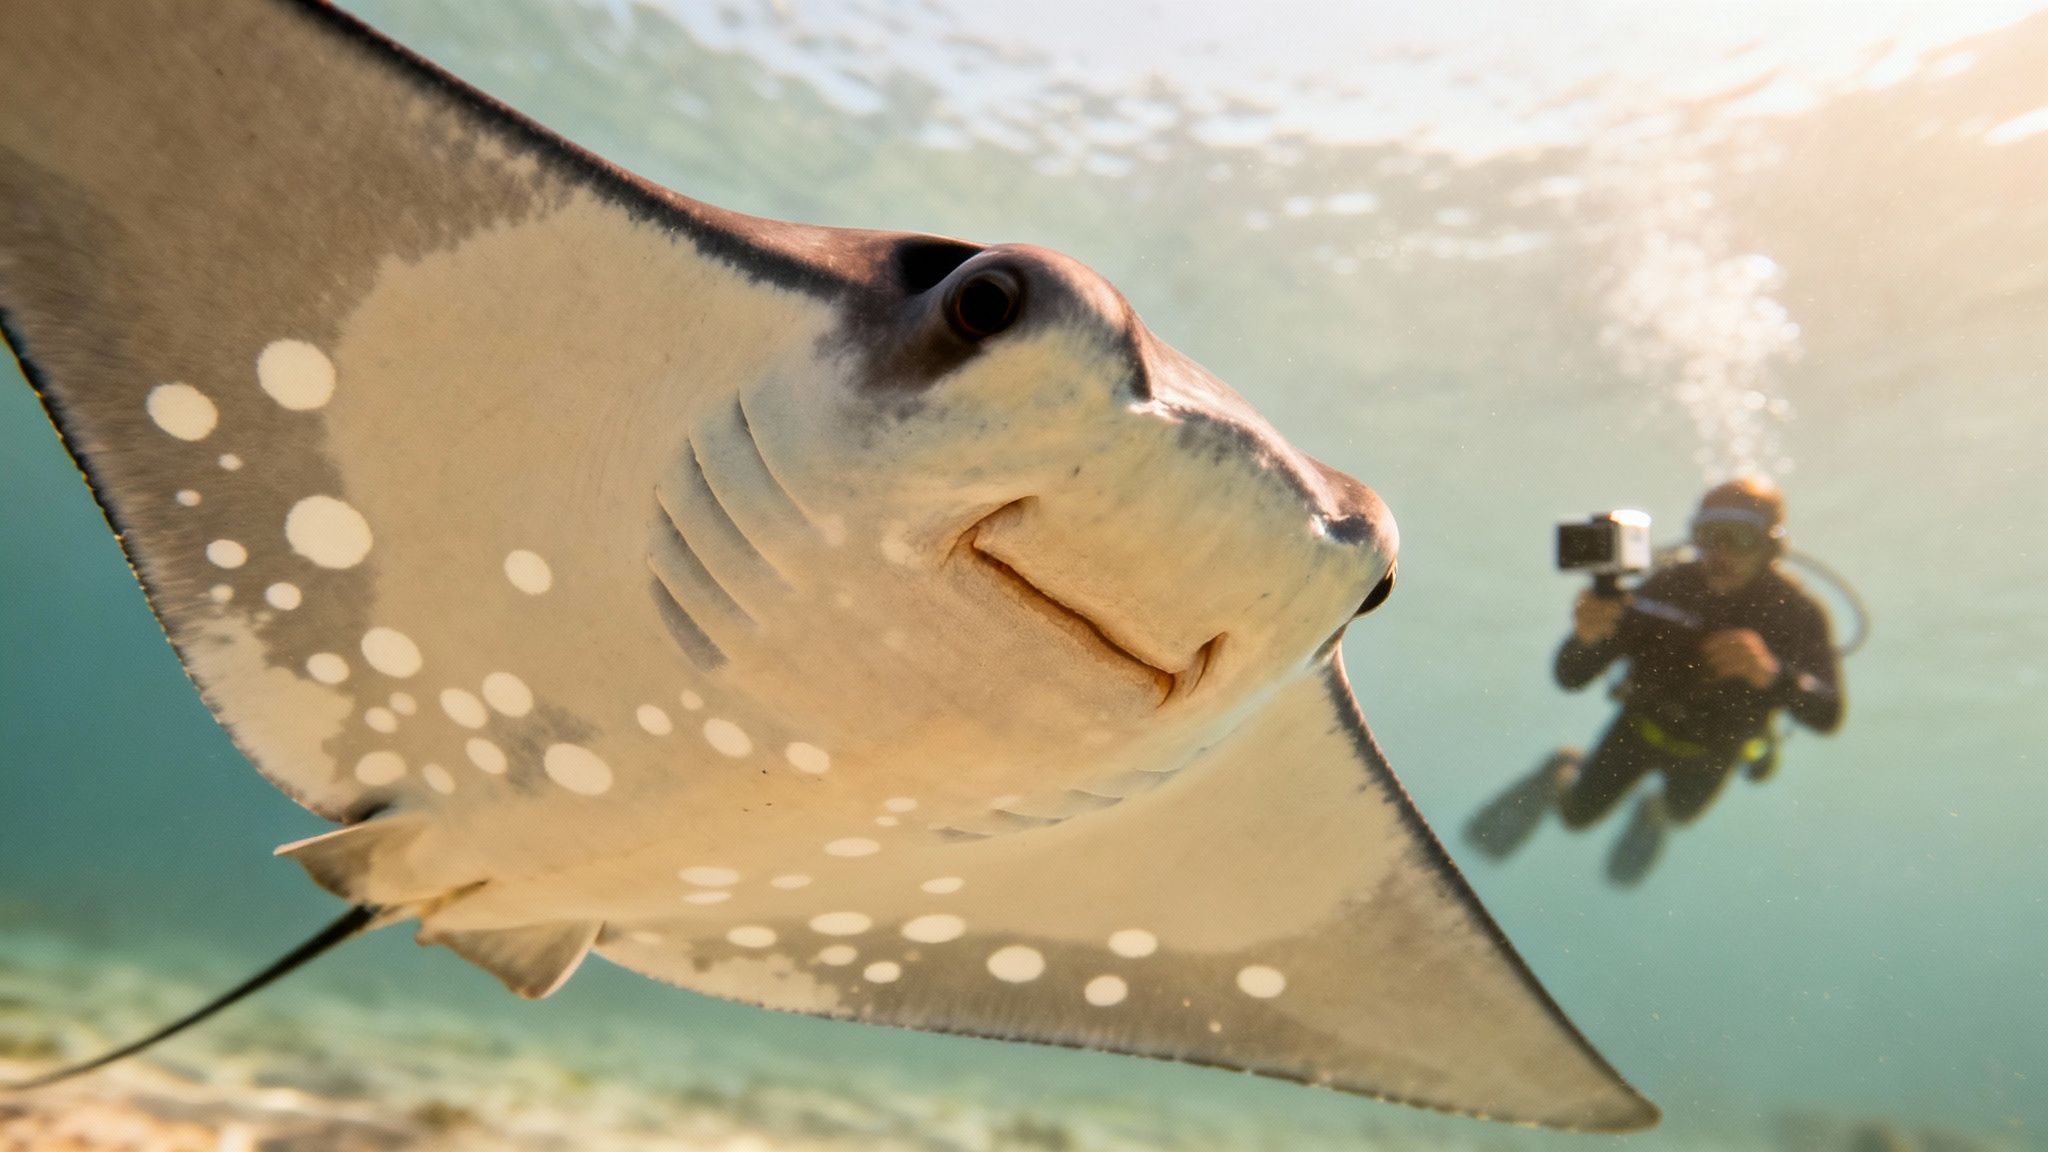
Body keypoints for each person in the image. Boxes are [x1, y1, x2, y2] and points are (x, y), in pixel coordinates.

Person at [1466, 476, 1845, 885]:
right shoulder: (1667, 587)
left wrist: (1772, 674)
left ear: (1771, 545)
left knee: (1679, 812)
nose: (1720, 552)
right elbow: (1570, 677)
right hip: (1638, 728)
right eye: (1709, 535)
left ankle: (1654, 810)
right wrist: (1586, 639)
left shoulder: (1797, 614)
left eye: (1740, 538)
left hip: (1714, 750)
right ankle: (1562, 767)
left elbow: (1829, 714)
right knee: (1576, 817)